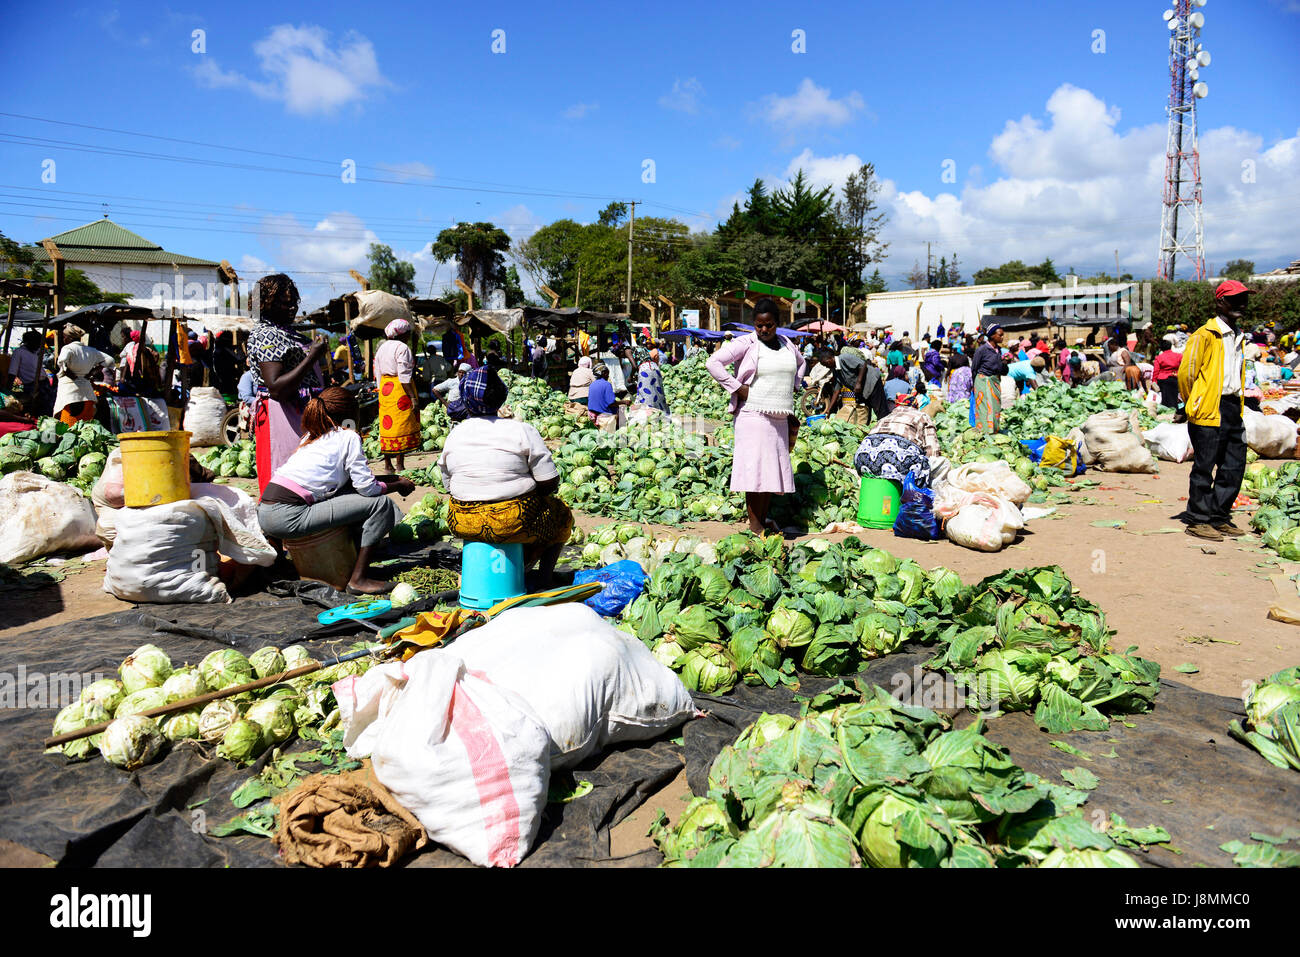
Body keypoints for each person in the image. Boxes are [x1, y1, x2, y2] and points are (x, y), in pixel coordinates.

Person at [256, 388, 413, 595]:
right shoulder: (348, 436)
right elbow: (367, 489)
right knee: (381, 505)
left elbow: (352, 485)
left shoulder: (311, 437)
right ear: (350, 415)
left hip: (266, 513)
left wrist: (392, 480)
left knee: (356, 499)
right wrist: (397, 485)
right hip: (287, 515)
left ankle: (351, 561)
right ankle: (359, 579)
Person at [439, 367, 574, 586]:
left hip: (462, 521)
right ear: (501, 397)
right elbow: (549, 481)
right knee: (561, 515)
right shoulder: (522, 430)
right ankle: (544, 578)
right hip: (511, 521)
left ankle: (488, 569)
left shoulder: (455, 434)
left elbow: (448, 484)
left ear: (465, 401)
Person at [706, 299, 806, 534]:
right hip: (753, 415)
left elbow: (801, 364)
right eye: (759, 325)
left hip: (779, 417)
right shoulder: (745, 343)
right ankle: (755, 525)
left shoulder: (787, 344)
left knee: (770, 473)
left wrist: (795, 385)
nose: (763, 330)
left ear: (777, 323)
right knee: (756, 472)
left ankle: (762, 520)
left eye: (769, 325)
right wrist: (737, 388)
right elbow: (714, 363)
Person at [1178, 280, 1252, 542]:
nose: (1241, 304)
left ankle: (1219, 516)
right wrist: (1193, 403)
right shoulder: (1205, 335)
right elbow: (1187, 373)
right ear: (1220, 302)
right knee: (1204, 465)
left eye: (1244, 299)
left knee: (1234, 465)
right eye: (1235, 299)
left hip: (1232, 406)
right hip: (1208, 406)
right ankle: (1198, 519)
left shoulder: (1239, 335)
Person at [247, 274, 325, 495]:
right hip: (282, 415)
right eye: (285, 303)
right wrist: (312, 358)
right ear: (266, 304)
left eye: (294, 303)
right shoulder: (266, 334)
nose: (292, 308)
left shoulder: (286, 332)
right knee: (286, 474)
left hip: (300, 412)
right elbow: (276, 388)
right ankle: (281, 523)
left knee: (306, 474)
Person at [853, 400, 942, 488]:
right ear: (916, 406)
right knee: (941, 464)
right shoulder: (922, 416)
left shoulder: (887, 416)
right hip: (898, 463)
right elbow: (933, 452)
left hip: (862, 461)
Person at [373, 318, 420, 474]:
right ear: (403, 334)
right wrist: (413, 397)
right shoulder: (402, 348)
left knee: (387, 427)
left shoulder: (382, 348)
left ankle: (388, 465)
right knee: (401, 426)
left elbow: (377, 372)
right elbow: (404, 375)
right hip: (400, 390)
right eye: (408, 333)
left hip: (386, 390)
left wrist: (381, 390)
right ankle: (399, 465)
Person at [54, 325, 115, 425]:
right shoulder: (90, 350)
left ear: (70, 338)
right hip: (86, 391)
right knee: (85, 424)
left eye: (64, 336)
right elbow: (110, 360)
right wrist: (92, 372)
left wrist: (69, 373)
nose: (63, 339)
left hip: (69, 392)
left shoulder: (68, 348)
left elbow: (62, 361)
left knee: (68, 424)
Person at [970, 325, 1009, 432]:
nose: (1002, 337)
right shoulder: (982, 350)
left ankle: (994, 430)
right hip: (982, 380)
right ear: (992, 336)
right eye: (1000, 335)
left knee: (995, 406)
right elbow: (974, 368)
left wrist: (1005, 363)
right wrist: (974, 385)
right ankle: (984, 431)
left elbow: (1002, 370)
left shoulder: (1000, 351)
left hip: (995, 381)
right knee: (984, 407)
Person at [7, 330, 45, 413]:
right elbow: (12, 372)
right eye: (37, 342)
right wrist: (8, 391)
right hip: (32, 385)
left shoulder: (35, 353)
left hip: (43, 384)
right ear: (28, 342)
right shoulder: (19, 352)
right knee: (33, 409)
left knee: (43, 408)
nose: (39, 345)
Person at [586, 362, 630, 427]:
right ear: (603, 373)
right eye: (607, 373)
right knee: (620, 409)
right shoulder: (607, 384)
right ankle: (620, 428)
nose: (608, 376)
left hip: (592, 413)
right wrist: (624, 402)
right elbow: (611, 403)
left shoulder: (592, 384)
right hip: (604, 414)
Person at [632, 347, 669, 413]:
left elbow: (634, 366)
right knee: (658, 391)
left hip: (645, 370)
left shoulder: (628, 351)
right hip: (654, 367)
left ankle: (648, 412)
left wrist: (630, 376)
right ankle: (660, 411)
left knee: (646, 393)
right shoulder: (642, 349)